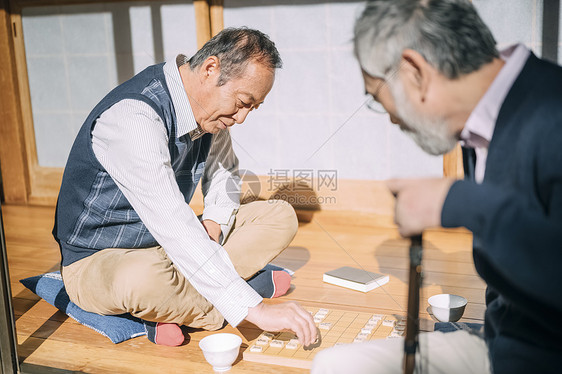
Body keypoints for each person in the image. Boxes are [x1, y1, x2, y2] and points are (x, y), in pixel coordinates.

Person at [312, 0, 562, 373]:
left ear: (414, 71)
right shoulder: (479, 127)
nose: (392, 119)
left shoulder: (552, 111)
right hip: (503, 345)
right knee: (336, 366)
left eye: (377, 98)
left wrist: (456, 200)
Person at [53, 27, 317, 347]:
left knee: (280, 216)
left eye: (253, 107)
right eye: (243, 102)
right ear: (210, 69)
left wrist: (214, 224)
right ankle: (234, 297)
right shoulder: (133, 117)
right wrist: (256, 309)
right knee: (142, 278)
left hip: (166, 251)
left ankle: (177, 308)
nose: (243, 117)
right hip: (99, 262)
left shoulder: (209, 112)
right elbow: (173, 223)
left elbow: (224, 174)